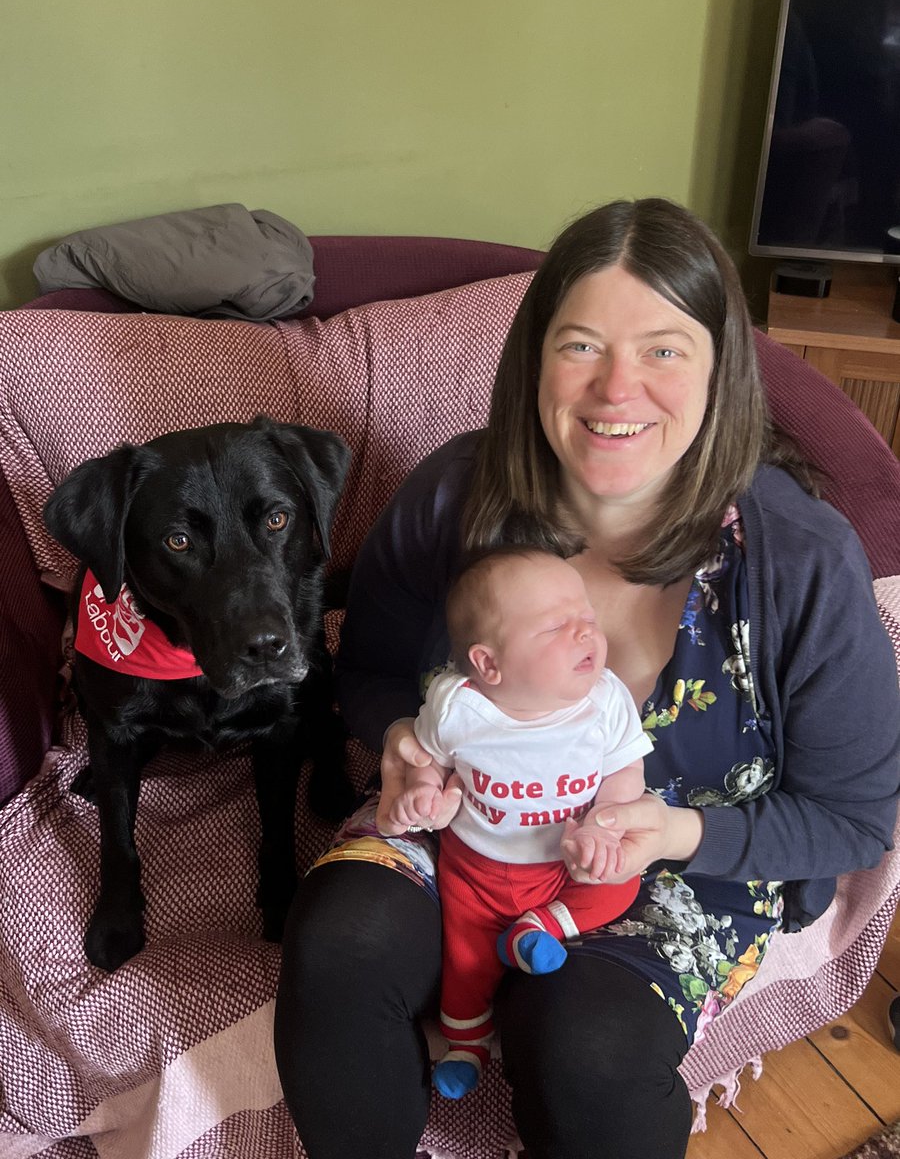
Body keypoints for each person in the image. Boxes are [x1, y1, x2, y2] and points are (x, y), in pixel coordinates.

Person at [274, 198, 900, 1159]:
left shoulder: (801, 561)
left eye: (662, 350)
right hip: (463, 836)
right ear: (533, 361)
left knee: (588, 1043)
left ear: (719, 369)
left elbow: (856, 820)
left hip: (681, 871)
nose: (617, 388)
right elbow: (369, 675)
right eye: (580, 346)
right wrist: (401, 744)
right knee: (338, 944)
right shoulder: (455, 497)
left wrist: (675, 830)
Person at [378, 546, 651, 1098]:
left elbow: (626, 772)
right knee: (466, 959)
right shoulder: (459, 708)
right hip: (476, 871)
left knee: (621, 881)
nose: (585, 634)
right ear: (488, 663)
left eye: (588, 619)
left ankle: (544, 926)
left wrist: (602, 826)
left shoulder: (605, 702)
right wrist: (424, 794)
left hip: (564, 868)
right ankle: (466, 1047)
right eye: (556, 627)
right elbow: (427, 758)